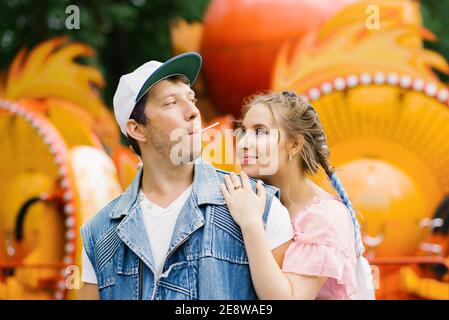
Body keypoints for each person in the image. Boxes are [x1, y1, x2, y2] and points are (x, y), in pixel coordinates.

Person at [80, 53, 294, 299]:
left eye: (191, 99)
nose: (193, 111)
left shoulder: (260, 205)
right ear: (136, 129)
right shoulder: (99, 234)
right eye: (171, 102)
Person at [220, 91, 374, 299]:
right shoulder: (254, 200)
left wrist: (251, 225)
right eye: (243, 131)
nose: (243, 143)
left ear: (294, 145)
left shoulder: (325, 218)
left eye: (260, 132)